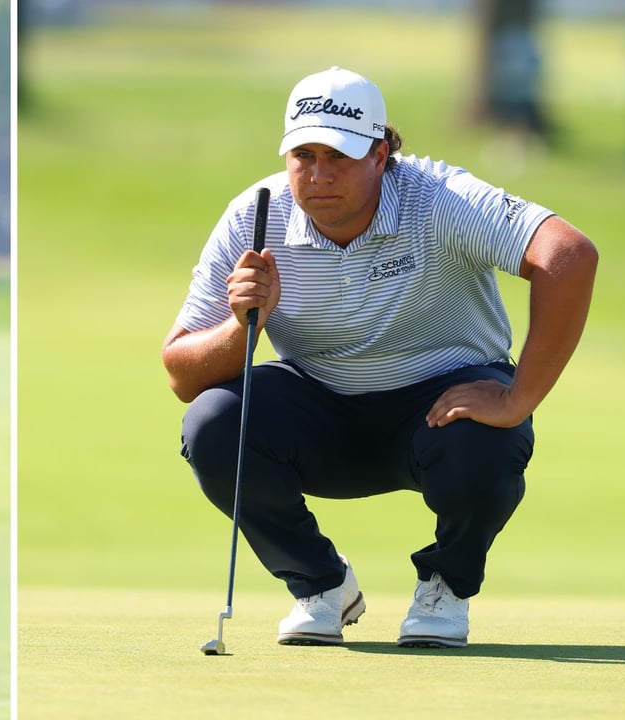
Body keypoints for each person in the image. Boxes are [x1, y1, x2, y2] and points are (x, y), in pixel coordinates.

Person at [162, 67, 597, 648]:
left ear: (381, 153)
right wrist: (244, 328)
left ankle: (446, 586)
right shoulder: (254, 215)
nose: (319, 176)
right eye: (304, 155)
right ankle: (321, 587)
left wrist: (519, 397)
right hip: (319, 410)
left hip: (438, 407)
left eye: (338, 157)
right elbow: (179, 372)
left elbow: (568, 254)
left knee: (486, 441)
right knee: (213, 422)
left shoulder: (438, 199)